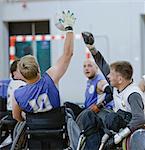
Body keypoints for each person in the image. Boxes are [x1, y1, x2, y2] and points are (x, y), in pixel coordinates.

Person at [81, 32, 145, 149]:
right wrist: (91, 47)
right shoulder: (117, 87)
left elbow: (140, 118)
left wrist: (120, 135)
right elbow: (102, 64)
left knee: (112, 118)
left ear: (120, 79)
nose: (108, 76)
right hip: (118, 122)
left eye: (111, 74)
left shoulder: (133, 94)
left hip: (131, 130)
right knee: (88, 115)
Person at [12, 10, 76, 122]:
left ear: (22, 75)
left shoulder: (18, 94)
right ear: (39, 70)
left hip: (34, 136)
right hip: (57, 133)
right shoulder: (50, 79)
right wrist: (69, 29)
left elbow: (16, 117)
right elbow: (68, 54)